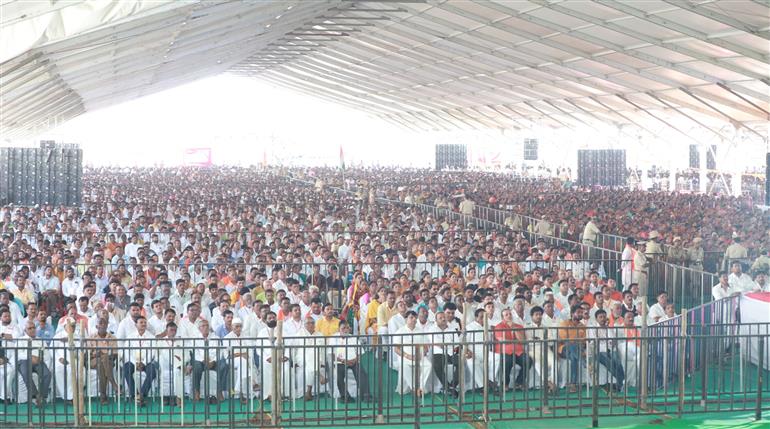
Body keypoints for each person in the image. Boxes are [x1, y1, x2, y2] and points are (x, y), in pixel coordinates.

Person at [492, 308, 532, 391]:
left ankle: (519, 382)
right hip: (504, 351)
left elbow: (522, 340)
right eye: (506, 315)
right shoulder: (499, 326)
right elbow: (503, 341)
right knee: (507, 361)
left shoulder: (518, 326)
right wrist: (515, 341)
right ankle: (505, 384)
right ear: (502, 317)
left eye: (510, 314)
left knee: (528, 360)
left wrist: (514, 328)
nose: (509, 316)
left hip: (518, 351)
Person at [189, 319, 228, 403]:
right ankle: (197, 391)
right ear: (199, 328)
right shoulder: (195, 338)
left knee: (223, 366)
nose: (205, 327)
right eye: (203, 326)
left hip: (213, 361)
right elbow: (195, 352)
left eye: (207, 325)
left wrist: (213, 361)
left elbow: (219, 352)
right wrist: (203, 360)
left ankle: (219, 391)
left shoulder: (216, 338)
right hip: (200, 361)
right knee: (196, 367)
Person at [394, 310, 432, 395]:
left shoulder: (420, 331)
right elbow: (396, 349)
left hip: (419, 356)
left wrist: (421, 354)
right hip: (406, 357)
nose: (414, 319)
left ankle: (421, 387)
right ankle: (414, 388)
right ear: (406, 319)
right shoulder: (400, 331)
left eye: (415, 317)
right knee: (404, 366)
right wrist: (407, 356)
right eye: (411, 317)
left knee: (428, 365)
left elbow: (426, 346)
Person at [332, 320, 371, 402]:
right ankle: (345, 396)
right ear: (339, 329)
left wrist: (354, 360)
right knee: (338, 375)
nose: (346, 330)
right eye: (343, 328)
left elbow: (359, 353)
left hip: (354, 361)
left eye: (347, 328)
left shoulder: (353, 338)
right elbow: (332, 354)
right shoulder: (333, 338)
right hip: (340, 362)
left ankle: (366, 395)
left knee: (362, 373)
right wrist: (344, 361)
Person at [123, 316, 158, 406]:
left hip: (146, 361)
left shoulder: (151, 337)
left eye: (144, 322)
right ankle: (134, 394)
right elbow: (127, 352)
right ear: (136, 325)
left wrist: (144, 362)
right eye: (141, 322)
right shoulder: (130, 336)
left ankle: (142, 394)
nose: (143, 324)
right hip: (133, 361)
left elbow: (152, 352)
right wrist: (135, 362)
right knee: (126, 369)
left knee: (152, 372)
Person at [587, 309, 624, 392]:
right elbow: (594, 342)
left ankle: (619, 384)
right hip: (598, 351)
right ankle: (621, 382)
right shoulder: (593, 328)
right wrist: (606, 341)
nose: (603, 319)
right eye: (600, 317)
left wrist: (609, 342)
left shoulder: (608, 328)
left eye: (604, 317)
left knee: (617, 361)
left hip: (610, 350)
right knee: (609, 362)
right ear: (596, 319)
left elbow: (613, 341)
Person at [17, 320, 51, 406]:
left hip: (38, 361)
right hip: (25, 361)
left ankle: (42, 396)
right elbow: (18, 354)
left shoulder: (40, 340)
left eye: (33, 328)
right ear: (25, 330)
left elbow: (47, 354)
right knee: (26, 372)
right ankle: (35, 395)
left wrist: (40, 358)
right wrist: (30, 357)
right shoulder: (20, 340)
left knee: (47, 374)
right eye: (29, 328)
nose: (32, 330)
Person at [292, 317, 327, 400]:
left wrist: (323, 363)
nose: (310, 324)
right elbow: (293, 349)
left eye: (312, 323)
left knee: (311, 358)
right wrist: (294, 361)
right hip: (301, 357)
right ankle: (320, 376)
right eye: (308, 323)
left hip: (316, 358)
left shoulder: (320, 334)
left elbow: (323, 350)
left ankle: (308, 391)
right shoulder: (299, 334)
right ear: (304, 325)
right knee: (310, 356)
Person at [88, 317, 119, 404]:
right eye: (100, 323)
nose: (102, 325)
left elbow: (115, 353)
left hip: (108, 361)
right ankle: (113, 383)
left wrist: (105, 355)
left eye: (104, 323)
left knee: (102, 362)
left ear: (107, 325)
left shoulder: (112, 337)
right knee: (101, 359)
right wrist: (95, 354)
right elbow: (87, 354)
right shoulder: (91, 337)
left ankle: (103, 395)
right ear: (96, 326)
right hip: (93, 360)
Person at [427, 312, 460, 397]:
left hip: (451, 352)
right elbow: (436, 343)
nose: (443, 319)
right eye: (440, 318)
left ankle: (453, 385)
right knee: (437, 365)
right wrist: (446, 344)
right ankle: (446, 386)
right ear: (436, 320)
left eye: (444, 317)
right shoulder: (432, 329)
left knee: (461, 362)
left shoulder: (452, 329)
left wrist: (446, 345)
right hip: (439, 352)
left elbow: (456, 343)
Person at [225, 318, 254, 403]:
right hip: (231, 360)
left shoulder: (246, 336)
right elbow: (228, 355)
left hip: (245, 360)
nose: (239, 329)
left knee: (243, 364)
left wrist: (243, 354)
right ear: (232, 327)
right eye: (236, 326)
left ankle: (238, 390)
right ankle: (250, 385)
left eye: (240, 326)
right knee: (243, 361)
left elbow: (250, 351)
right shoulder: (227, 338)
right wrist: (242, 354)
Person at [558, 304, 586, 393]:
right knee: (573, 346)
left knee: (574, 358)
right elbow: (565, 339)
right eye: (578, 312)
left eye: (582, 312)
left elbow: (584, 341)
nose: (581, 314)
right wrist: (576, 343)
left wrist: (577, 343)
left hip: (576, 350)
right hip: (564, 349)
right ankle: (583, 361)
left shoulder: (583, 326)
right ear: (572, 313)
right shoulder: (565, 323)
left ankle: (573, 384)